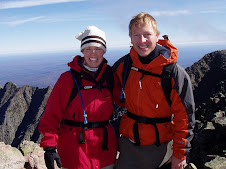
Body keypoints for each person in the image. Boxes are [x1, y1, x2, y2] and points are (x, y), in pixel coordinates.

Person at [113, 12, 195, 169]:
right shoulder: (124, 66)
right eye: (136, 35)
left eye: (147, 34)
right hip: (128, 145)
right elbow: (103, 91)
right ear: (130, 38)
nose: (142, 40)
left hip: (160, 148)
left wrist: (179, 154)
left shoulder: (172, 72)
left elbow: (184, 116)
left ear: (157, 36)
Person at [38, 26, 122, 169]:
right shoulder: (68, 79)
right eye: (88, 48)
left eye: (98, 48)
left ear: (104, 51)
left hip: (104, 148)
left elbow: (126, 101)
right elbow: (52, 113)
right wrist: (49, 146)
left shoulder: (110, 76)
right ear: (82, 51)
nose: (93, 53)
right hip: (74, 150)